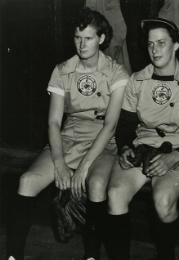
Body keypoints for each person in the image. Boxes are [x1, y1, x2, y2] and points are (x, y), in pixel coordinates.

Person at [6, 7, 129, 260]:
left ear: (102, 39)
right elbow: (53, 123)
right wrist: (60, 163)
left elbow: (110, 126)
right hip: (68, 139)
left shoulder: (116, 72)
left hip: (101, 143)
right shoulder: (62, 70)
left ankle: (91, 255)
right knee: (27, 181)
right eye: (77, 38)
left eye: (88, 38)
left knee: (95, 185)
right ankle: (12, 256)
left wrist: (83, 167)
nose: (81, 45)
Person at [105, 18, 179, 260]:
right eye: (151, 44)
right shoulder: (138, 80)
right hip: (144, 147)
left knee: (163, 198)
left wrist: (175, 157)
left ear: (176, 46)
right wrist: (124, 148)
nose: (155, 50)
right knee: (115, 194)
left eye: (161, 43)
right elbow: (127, 124)